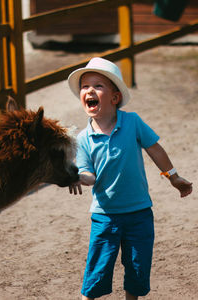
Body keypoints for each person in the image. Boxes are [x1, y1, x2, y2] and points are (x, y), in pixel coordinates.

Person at [67, 57, 193, 300]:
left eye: (98, 85)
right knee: (97, 269)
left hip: (139, 212)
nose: (90, 91)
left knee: (137, 268)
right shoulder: (83, 138)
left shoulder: (132, 122)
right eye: (85, 86)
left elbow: (154, 148)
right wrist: (76, 176)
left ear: (115, 98)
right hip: (105, 216)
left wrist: (173, 177)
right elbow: (89, 176)